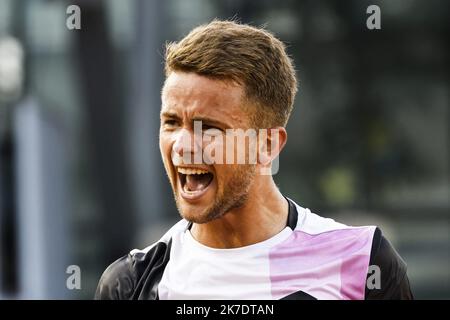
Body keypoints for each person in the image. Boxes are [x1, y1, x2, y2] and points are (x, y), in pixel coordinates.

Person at [95, 20, 413, 300]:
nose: (182, 145)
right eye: (172, 123)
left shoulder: (365, 262)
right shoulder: (130, 284)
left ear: (268, 145)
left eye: (209, 128)